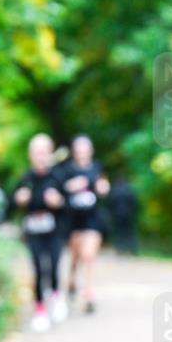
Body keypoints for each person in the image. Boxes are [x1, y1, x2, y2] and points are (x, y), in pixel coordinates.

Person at [10, 133, 69, 333]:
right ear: (30, 155)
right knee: (37, 268)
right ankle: (40, 309)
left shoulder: (58, 176)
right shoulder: (25, 178)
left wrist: (59, 202)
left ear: (50, 153)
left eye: (44, 152)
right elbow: (10, 205)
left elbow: (70, 206)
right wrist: (18, 200)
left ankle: (56, 294)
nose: (40, 156)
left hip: (55, 230)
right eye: (37, 152)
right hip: (33, 229)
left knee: (53, 265)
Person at [60, 134, 109, 314]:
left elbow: (103, 184)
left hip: (92, 220)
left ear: (91, 151)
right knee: (76, 257)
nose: (82, 152)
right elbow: (59, 189)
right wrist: (71, 186)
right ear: (74, 151)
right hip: (73, 221)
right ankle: (72, 281)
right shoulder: (67, 170)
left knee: (89, 255)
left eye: (85, 149)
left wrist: (104, 187)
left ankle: (89, 294)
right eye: (79, 149)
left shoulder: (97, 167)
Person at [108, 176, 139, 255]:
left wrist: (111, 214)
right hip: (129, 215)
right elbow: (135, 202)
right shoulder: (129, 190)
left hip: (117, 215)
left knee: (119, 232)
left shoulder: (114, 191)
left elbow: (110, 203)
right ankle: (132, 249)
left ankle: (120, 249)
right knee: (130, 232)